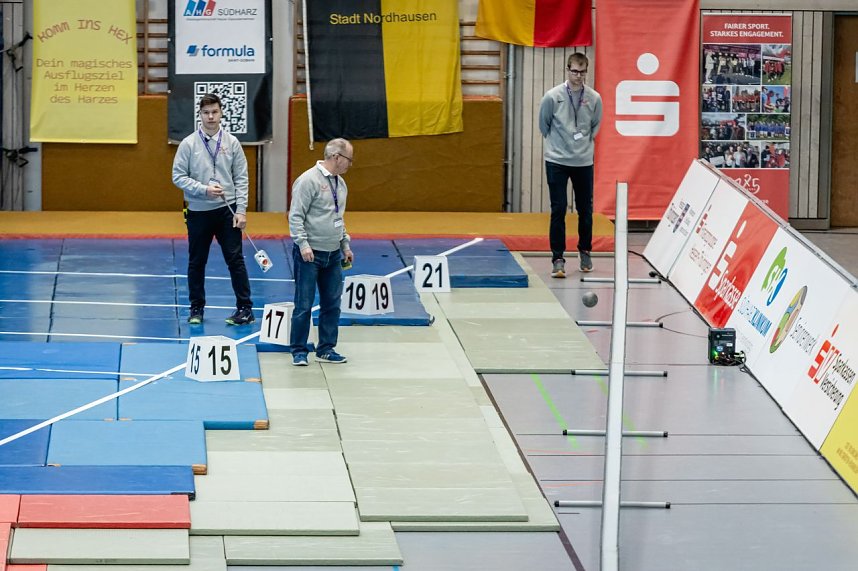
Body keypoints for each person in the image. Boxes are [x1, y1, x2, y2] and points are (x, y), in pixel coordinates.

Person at [172, 92, 254, 326]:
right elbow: (177, 177)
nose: (210, 116)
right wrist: (202, 189)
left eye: (214, 112)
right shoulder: (188, 144)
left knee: (235, 260)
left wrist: (242, 210)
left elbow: (241, 178)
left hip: (227, 211)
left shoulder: (232, 143)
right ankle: (196, 308)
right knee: (197, 261)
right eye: (206, 113)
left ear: (221, 113)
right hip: (198, 212)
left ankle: (245, 308)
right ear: (200, 115)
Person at [288, 138, 355, 366]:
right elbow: (295, 215)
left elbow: (338, 217)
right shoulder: (308, 181)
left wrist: (345, 244)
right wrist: (303, 244)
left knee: (332, 303)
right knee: (304, 304)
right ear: (336, 157)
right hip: (310, 254)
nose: (350, 164)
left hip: (333, 252)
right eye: (348, 159)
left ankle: (326, 348)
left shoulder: (341, 184)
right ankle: (298, 350)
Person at [539, 53, 602, 278]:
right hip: (556, 160)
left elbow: (595, 126)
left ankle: (585, 251)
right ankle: (558, 258)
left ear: (587, 71)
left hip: (583, 161)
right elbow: (543, 125)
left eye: (582, 72)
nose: (578, 76)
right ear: (567, 70)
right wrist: (560, 145)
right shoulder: (552, 96)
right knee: (559, 208)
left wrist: (583, 144)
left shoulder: (594, 98)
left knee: (585, 209)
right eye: (574, 71)